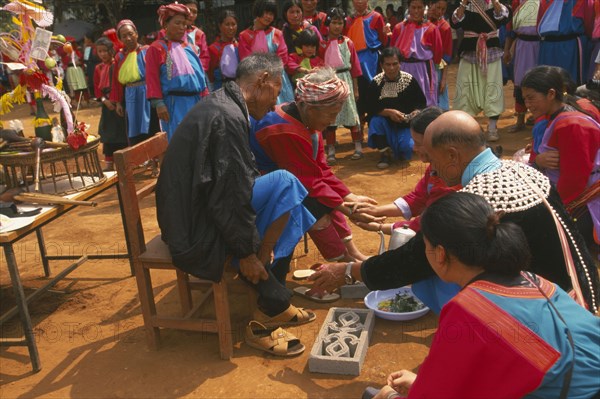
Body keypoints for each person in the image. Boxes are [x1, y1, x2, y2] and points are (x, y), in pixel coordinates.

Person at [309, 110, 600, 315]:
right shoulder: (521, 169)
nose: (432, 169)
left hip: (546, 313)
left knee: (441, 264)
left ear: (452, 155)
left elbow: (415, 257)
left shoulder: (476, 198)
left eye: (433, 159)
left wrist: (347, 270)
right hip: (584, 295)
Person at [368, 192, 600, 399]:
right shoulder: (533, 280)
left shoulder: (469, 309)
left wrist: (390, 396)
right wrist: (421, 382)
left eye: (425, 246)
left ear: (440, 254)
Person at [156, 52, 317, 333]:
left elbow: (231, 182)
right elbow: (227, 195)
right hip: (192, 228)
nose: (275, 104)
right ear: (263, 81)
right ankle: (267, 293)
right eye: (276, 93)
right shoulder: (228, 116)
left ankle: (270, 291)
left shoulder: (226, 103)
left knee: (295, 207)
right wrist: (246, 254)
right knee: (287, 183)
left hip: (194, 209)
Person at [251, 67, 381, 264]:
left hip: (296, 178)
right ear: (311, 109)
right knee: (316, 207)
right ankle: (341, 260)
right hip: (262, 184)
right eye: (331, 114)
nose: (333, 120)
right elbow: (307, 180)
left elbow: (321, 169)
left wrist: (349, 197)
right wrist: (349, 210)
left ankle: (351, 253)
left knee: (329, 201)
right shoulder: (283, 130)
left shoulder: (308, 122)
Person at [522, 66, 600, 249]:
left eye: (531, 98)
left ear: (551, 94)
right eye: (524, 98)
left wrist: (556, 211)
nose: (527, 104)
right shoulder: (568, 108)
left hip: (585, 201)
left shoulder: (570, 125)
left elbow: (574, 180)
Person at [352, 107, 460, 235]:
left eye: (418, 143)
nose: (414, 148)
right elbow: (419, 197)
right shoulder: (437, 166)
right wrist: (377, 210)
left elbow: (427, 224)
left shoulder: (451, 179)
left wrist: (380, 228)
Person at [145, 3, 208, 141]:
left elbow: (200, 76)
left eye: (184, 24)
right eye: (177, 23)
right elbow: (152, 78)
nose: (182, 27)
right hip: (174, 103)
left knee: (199, 139)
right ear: (165, 25)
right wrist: (159, 103)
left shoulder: (190, 47)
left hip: (196, 101)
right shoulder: (157, 48)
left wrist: (205, 97)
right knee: (178, 141)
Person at [450, 0, 510, 142]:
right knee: (465, 88)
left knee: (492, 88)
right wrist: (464, 3)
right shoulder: (464, 6)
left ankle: (492, 128)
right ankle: (466, 129)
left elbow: (503, 17)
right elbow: (455, 22)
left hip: (491, 51)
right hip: (469, 51)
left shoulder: (496, 5)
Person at [366, 47, 427, 169]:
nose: (391, 68)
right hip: (384, 124)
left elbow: (421, 103)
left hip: (405, 125)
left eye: (395, 64)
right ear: (381, 65)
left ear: (400, 63)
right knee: (375, 122)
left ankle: (401, 150)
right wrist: (387, 112)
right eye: (387, 64)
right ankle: (384, 154)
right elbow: (369, 106)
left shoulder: (409, 80)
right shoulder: (376, 82)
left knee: (406, 147)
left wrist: (416, 112)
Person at [320, 7, 363, 164]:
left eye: (340, 23)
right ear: (328, 24)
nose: (337, 26)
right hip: (329, 80)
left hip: (346, 80)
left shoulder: (348, 43)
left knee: (352, 114)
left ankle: (357, 147)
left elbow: (355, 67)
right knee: (331, 117)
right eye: (334, 23)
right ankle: (331, 150)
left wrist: (356, 88)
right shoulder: (322, 43)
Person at [109, 19, 160, 146]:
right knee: (133, 125)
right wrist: (118, 103)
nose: (128, 38)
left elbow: (156, 75)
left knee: (151, 124)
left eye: (130, 34)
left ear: (136, 33)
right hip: (130, 96)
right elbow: (116, 82)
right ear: (120, 39)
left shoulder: (147, 51)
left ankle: (155, 159)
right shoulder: (119, 57)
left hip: (148, 94)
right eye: (124, 36)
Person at [238, 0, 295, 104]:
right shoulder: (244, 36)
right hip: (256, 82)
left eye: (271, 14)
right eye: (266, 12)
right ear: (258, 12)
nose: (268, 16)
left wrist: (271, 73)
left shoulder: (277, 33)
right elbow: (246, 61)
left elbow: (283, 57)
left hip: (278, 78)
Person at [345, 0, 386, 138]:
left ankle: (374, 129)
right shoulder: (348, 20)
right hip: (354, 60)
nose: (359, 2)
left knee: (375, 93)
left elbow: (383, 39)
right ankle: (359, 130)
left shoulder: (376, 17)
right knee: (358, 96)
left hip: (372, 60)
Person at [391, 0, 442, 107]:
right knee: (402, 102)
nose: (416, 11)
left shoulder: (431, 29)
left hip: (424, 70)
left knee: (425, 102)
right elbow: (392, 53)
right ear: (408, 8)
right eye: (413, 7)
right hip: (402, 69)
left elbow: (437, 56)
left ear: (425, 8)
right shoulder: (398, 28)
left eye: (420, 7)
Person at [502, 0, 540, 132]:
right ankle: (520, 120)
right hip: (522, 46)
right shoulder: (517, 3)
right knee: (520, 84)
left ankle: (539, 119)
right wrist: (507, 50)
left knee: (540, 84)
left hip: (541, 46)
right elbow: (510, 30)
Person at [93, 37, 127, 171]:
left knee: (121, 132)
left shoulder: (117, 64)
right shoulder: (98, 68)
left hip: (118, 102)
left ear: (110, 51)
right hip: (106, 104)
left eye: (104, 51)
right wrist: (105, 101)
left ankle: (124, 161)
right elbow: (96, 88)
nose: (102, 54)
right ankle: (109, 163)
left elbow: (119, 84)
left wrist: (116, 101)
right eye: (99, 51)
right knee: (107, 133)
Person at [428, 0, 452, 111]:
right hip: (421, 67)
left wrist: (443, 79)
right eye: (438, 7)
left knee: (440, 107)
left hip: (437, 68)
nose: (440, 12)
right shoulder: (421, 23)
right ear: (430, 5)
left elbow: (446, 56)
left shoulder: (445, 27)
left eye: (443, 9)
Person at [208, 10, 238, 91]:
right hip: (221, 90)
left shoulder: (240, 45)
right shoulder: (213, 48)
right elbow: (210, 75)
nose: (231, 28)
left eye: (233, 24)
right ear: (220, 26)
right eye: (227, 24)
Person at [181, 0, 210, 76]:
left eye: (195, 12)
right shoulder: (166, 32)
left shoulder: (199, 34)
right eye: (189, 10)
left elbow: (205, 58)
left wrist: (196, 72)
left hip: (196, 76)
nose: (191, 15)